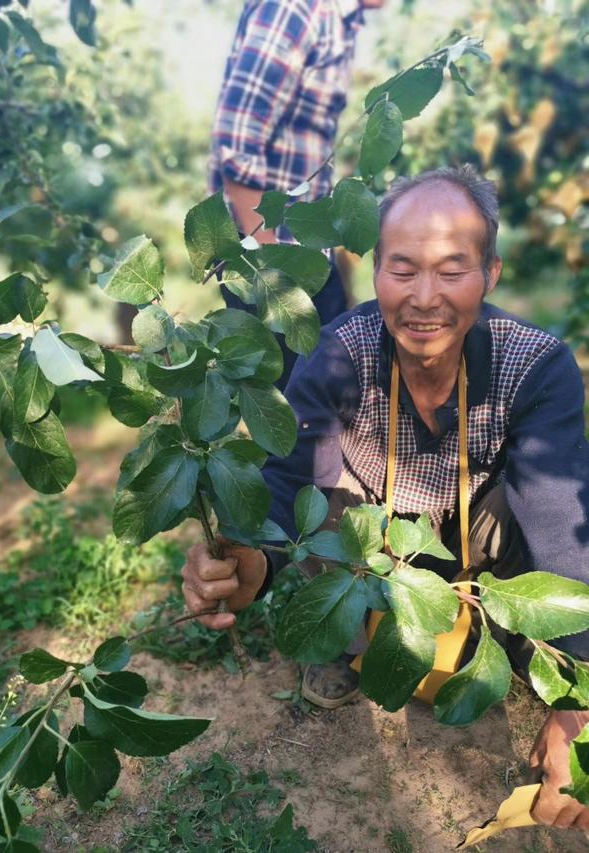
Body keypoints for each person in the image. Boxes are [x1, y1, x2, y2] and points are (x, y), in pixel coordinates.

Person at [181, 165, 589, 832]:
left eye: (452, 268)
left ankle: (513, 638)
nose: (424, 296)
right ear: (374, 270)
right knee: (327, 504)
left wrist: (576, 709)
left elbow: (559, 526)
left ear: (491, 273)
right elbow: (289, 486)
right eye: (403, 268)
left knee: (548, 518)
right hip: (377, 547)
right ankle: (346, 642)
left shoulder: (537, 366)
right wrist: (251, 563)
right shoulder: (340, 354)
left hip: (476, 547)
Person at [209, 0, 387, 388]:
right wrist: (270, 267)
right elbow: (237, 135)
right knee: (305, 412)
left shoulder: (340, 22)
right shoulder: (299, 9)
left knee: (330, 399)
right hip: (266, 253)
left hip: (297, 253)